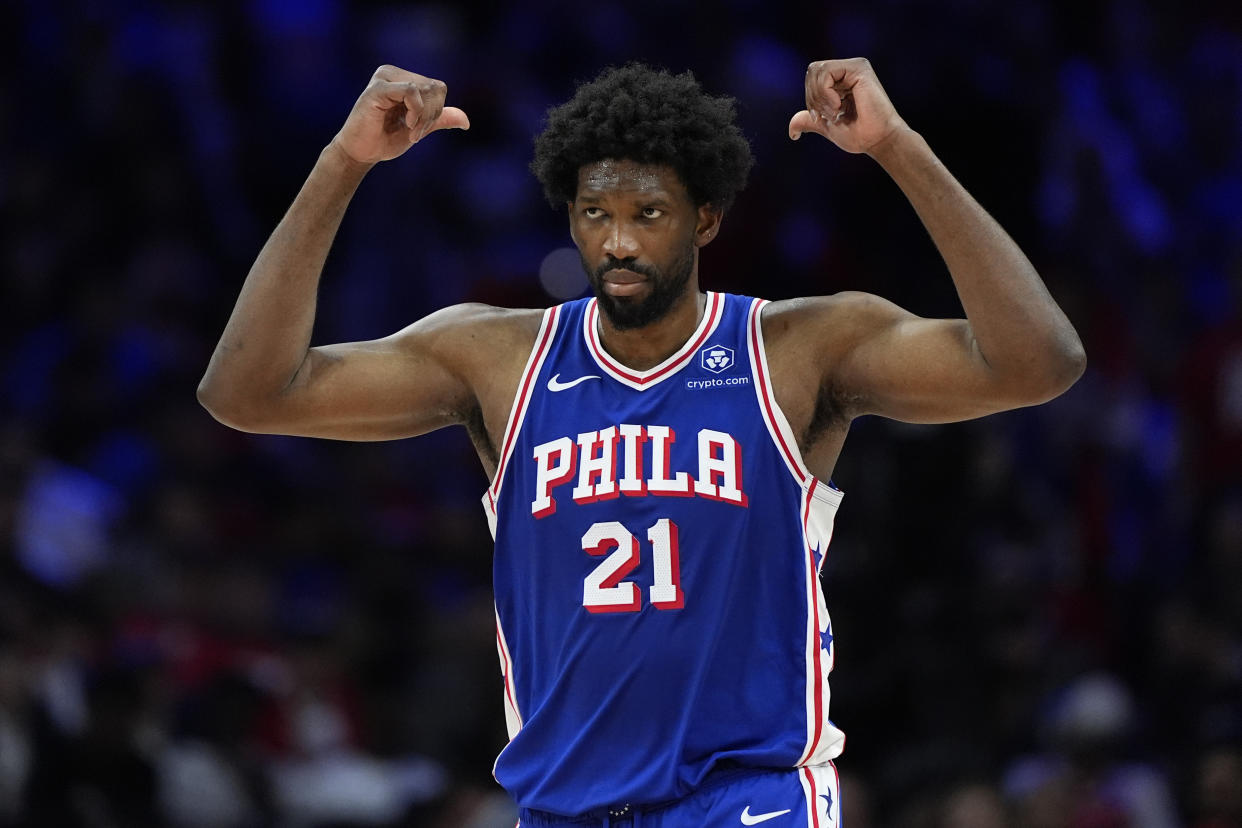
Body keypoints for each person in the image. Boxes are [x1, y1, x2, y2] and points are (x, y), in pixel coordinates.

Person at [198, 58, 1085, 827]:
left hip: (749, 796)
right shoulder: (497, 359)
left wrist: (899, 147)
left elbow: (1037, 363)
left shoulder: (796, 351)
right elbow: (246, 392)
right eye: (595, 213)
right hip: (560, 806)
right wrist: (343, 163)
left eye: (649, 213)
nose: (618, 242)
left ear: (705, 219)